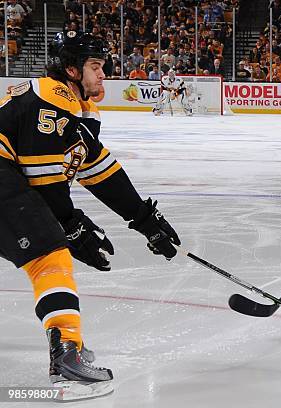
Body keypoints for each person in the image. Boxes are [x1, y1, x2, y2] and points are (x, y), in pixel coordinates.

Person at [0, 31, 181, 400]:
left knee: (49, 252)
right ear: (71, 69)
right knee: (50, 256)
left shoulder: (77, 109)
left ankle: (67, 346)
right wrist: (70, 225)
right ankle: (66, 352)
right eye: (95, 67)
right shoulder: (49, 98)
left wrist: (145, 219)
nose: (103, 75)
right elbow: (43, 176)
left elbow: (99, 170)